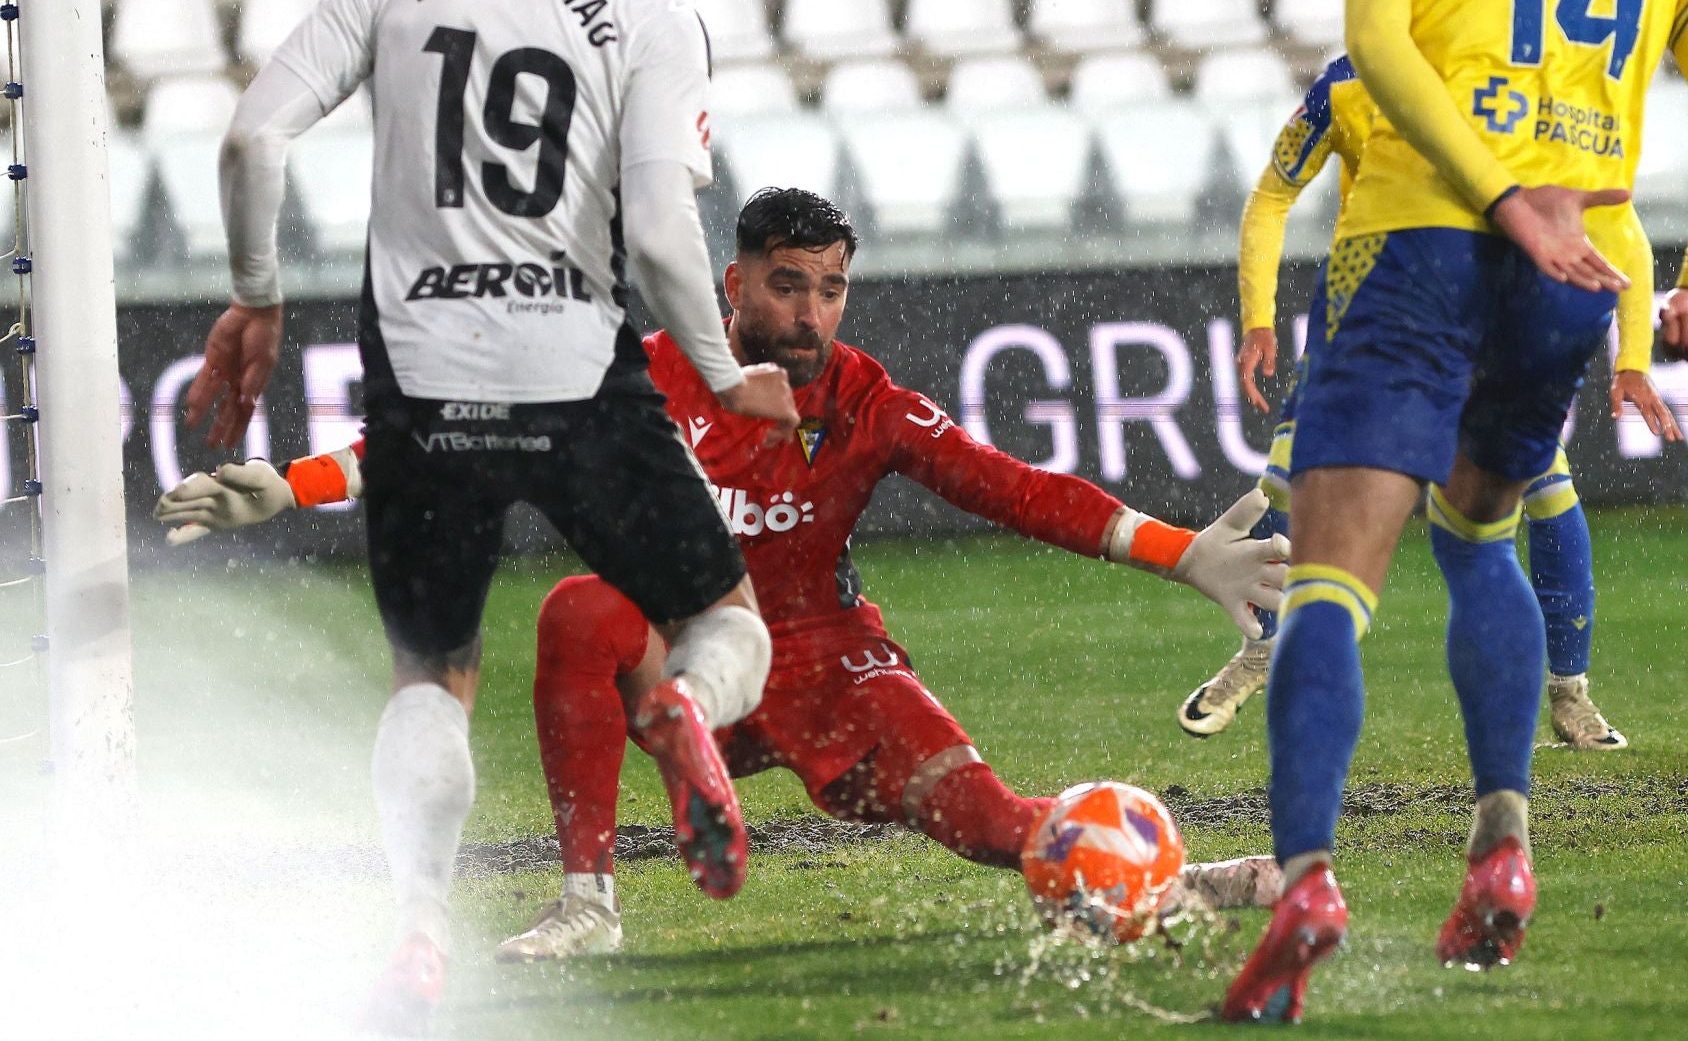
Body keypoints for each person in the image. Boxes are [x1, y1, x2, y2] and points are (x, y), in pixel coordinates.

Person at [159, 188, 1293, 961]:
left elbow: (1016, 487)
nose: (811, 315)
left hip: (830, 662)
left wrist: (1187, 551)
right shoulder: (643, 377)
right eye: (789, 285)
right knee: (583, 608)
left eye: (833, 288)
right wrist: (294, 485)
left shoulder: (866, 400)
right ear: (732, 282)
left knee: (996, 826)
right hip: (683, 652)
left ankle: (1202, 878)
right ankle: (588, 902)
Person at [179, 0, 802, 1033]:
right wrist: (727, 370)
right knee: (726, 623)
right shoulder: (651, 10)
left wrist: (257, 294)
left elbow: (253, 139)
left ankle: (418, 925)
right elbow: (672, 240)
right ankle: (678, 706)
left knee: (431, 677)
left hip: (422, 377)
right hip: (578, 376)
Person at [1220, 0, 1688, 1022]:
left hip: (1428, 242)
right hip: (1574, 269)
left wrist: (1498, 198)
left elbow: (1376, 47)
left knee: (1334, 575)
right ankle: (1504, 843)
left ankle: (1304, 878)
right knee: (1480, 533)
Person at [1178, 57, 1679, 747]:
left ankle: (1570, 696)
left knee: (1547, 492)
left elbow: (1617, 223)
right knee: (1284, 485)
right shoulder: (1349, 84)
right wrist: (1259, 317)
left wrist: (1633, 356)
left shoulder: (1518, 79)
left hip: (1481, 321)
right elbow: (1271, 195)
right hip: (1368, 316)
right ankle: (1263, 648)